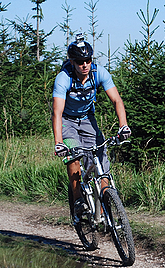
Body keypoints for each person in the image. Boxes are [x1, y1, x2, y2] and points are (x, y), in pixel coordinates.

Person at [52, 34, 131, 222]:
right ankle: (78, 198)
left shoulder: (99, 73)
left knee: (101, 160)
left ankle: (104, 205)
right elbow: (57, 112)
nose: (85, 65)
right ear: (72, 62)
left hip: (88, 119)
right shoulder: (63, 79)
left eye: (88, 60)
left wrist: (123, 126)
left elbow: (116, 100)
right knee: (73, 155)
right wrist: (58, 142)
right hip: (67, 121)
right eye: (80, 62)